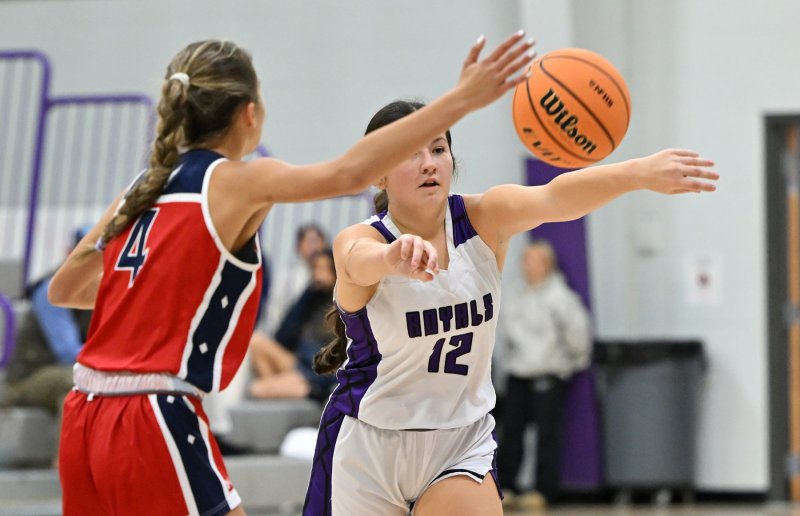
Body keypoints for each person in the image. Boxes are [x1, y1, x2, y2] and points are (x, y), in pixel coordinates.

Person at [47, 34, 536, 516]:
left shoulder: (141, 190)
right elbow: (349, 175)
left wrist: (157, 291)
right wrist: (460, 101)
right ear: (249, 113)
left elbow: (65, 288)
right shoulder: (239, 179)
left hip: (83, 410)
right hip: (149, 412)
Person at [304, 100, 718, 515]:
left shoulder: (483, 218)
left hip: (459, 441)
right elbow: (356, 261)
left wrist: (638, 173)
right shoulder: (364, 239)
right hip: (369, 443)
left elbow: (555, 198)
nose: (429, 163)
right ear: (379, 173)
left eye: (438, 149)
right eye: (411, 153)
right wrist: (392, 259)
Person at [496, 239, 591, 511]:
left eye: (532, 259)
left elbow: (578, 336)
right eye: (524, 259)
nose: (525, 264)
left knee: (548, 436)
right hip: (517, 374)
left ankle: (544, 491)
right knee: (511, 433)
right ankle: (508, 486)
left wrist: (566, 365)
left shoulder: (560, 297)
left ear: (545, 264)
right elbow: (505, 335)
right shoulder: (514, 294)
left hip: (548, 375)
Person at [1, 226, 94, 464]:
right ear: (69, 252)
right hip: (28, 378)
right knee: (73, 382)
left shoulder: (101, 288)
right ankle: (68, 464)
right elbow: (67, 351)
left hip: (72, 367)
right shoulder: (52, 289)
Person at [250, 248, 338, 402]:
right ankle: (282, 394)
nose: (319, 274)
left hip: (318, 377)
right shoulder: (313, 297)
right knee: (256, 341)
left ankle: (285, 391)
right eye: (316, 269)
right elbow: (282, 337)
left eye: (324, 268)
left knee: (258, 389)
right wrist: (308, 293)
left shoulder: (343, 304)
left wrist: (321, 385)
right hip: (300, 364)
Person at [263, 224, 327, 336]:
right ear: (299, 246)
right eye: (310, 242)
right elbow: (275, 311)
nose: (314, 247)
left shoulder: (334, 275)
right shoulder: (287, 276)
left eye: (317, 241)